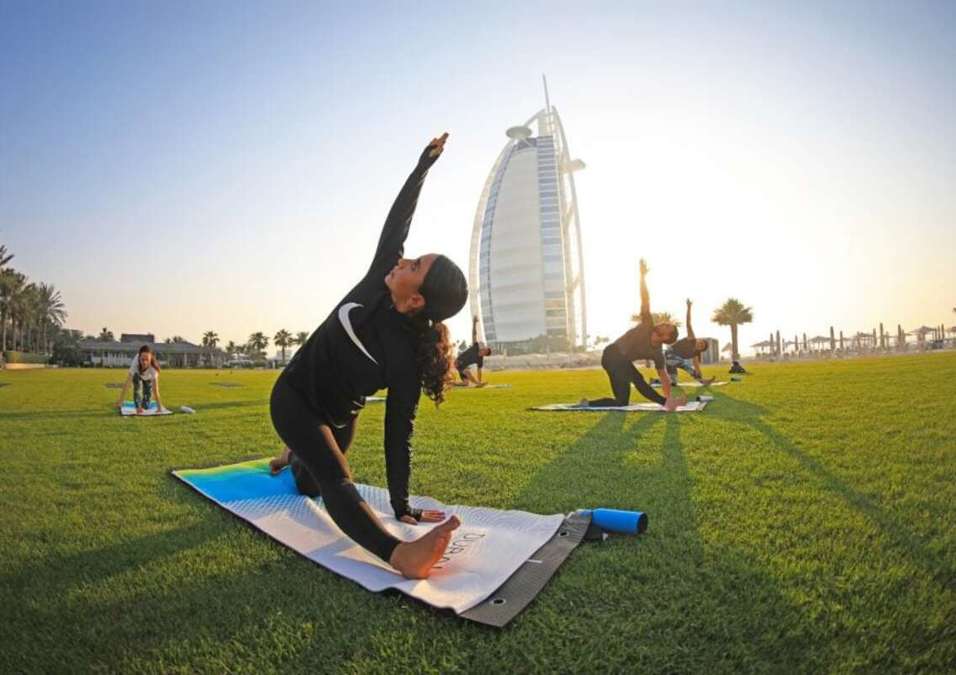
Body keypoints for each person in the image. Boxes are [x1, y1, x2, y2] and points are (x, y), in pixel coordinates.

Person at [271, 133, 468, 579]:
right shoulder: (380, 279)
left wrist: (402, 504)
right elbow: (399, 221)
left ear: (416, 300)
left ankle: (288, 457)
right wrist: (423, 167)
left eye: (413, 266)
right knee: (336, 479)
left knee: (307, 483)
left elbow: (399, 433)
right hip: (294, 396)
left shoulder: (406, 358)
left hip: (339, 417)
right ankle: (399, 556)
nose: (404, 261)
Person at [580, 259, 685, 411]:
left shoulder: (657, 354)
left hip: (621, 363)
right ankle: (665, 403)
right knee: (638, 379)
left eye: (667, 326)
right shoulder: (647, 324)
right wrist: (642, 277)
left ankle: (587, 404)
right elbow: (645, 300)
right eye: (665, 323)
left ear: (666, 338)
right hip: (612, 354)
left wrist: (669, 395)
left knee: (622, 402)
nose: (663, 323)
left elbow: (664, 377)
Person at [663, 299, 715, 386]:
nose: (700, 345)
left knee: (673, 383)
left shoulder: (695, 353)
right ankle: (703, 381)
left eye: (702, 346)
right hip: (669, 354)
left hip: (674, 362)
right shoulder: (691, 338)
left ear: (701, 350)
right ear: (699, 340)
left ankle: (656, 381)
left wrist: (700, 379)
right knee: (685, 364)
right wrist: (689, 308)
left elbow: (697, 367)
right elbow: (688, 323)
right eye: (701, 342)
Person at [116, 345, 166, 414]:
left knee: (146, 402)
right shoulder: (135, 363)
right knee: (137, 388)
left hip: (148, 377)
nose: (144, 362)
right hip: (138, 375)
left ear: (150, 359)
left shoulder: (153, 369)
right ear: (139, 358)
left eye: (147, 360)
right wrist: (120, 401)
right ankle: (137, 406)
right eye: (142, 359)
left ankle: (144, 405)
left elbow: (155, 389)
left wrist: (159, 407)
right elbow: (127, 383)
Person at [454, 316, 492, 386]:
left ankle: (450, 383)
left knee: (466, 383)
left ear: (485, 354)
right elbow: (474, 334)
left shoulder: (480, 360)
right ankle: (478, 383)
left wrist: (480, 380)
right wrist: (474, 323)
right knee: (467, 372)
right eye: (484, 348)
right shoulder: (476, 346)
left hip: (463, 367)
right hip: (458, 362)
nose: (483, 349)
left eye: (485, 350)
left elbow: (479, 371)